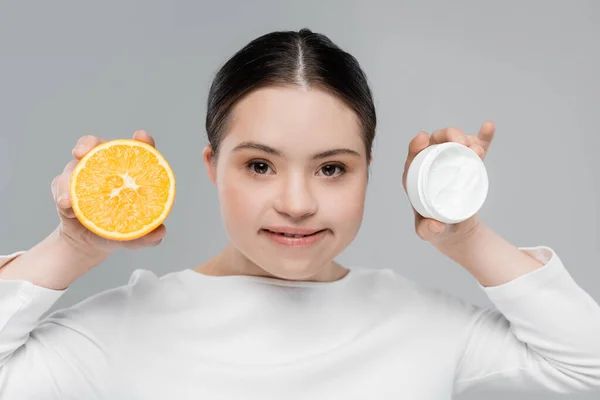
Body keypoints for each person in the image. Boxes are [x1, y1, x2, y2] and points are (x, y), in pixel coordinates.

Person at [0, 28, 599, 400]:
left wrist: (463, 235)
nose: (296, 202)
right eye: (260, 166)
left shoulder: (421, 323)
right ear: (213, 165)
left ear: (370, 169)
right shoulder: (123, 328)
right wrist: (74, 246)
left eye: (332, 168)